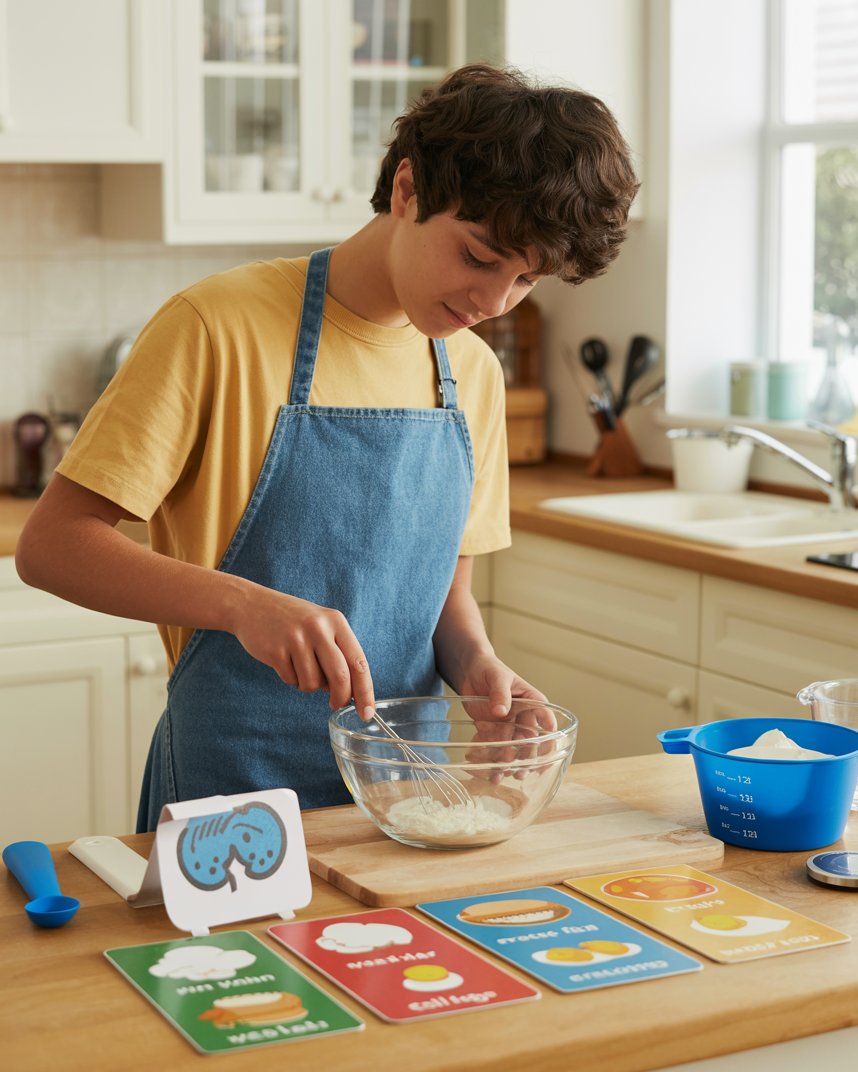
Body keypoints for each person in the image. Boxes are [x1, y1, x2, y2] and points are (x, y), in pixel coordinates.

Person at [15, 63, 639, 831]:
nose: (491, 302)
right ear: (407, 190)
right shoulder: (217, 326)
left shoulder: (471, 374)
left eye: (525, 280)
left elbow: (445, 593)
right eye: (478, 257)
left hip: (403, 796)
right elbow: (50, 546)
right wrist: (244, 606)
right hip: (231, 792)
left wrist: (476, 665)